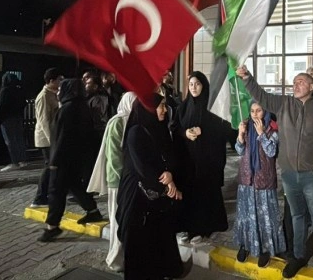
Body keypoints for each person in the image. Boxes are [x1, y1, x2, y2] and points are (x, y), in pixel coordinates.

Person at [237, 65, 313, 280]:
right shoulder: (284, 104)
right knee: (297, 217)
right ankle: (298, 256)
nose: (296, 85)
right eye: (294, 82)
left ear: (312, 86)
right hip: (289, 174)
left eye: (301, 81)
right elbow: (261, 95)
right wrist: (247, 77)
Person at [117, 94, 184, 280]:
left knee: (158, 239)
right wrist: (167, 186)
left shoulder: (160, 129)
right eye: (160, 106)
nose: (164, 110)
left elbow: (170, 157)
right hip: (137, 198)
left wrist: (170, 174)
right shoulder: (136, 132)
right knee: (140, 245)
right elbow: (143, 168)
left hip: (157, 199)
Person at [175, 71, 236, 245]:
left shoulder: (213, 107)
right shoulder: (183, 107)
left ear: (204, 86)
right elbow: (175, 128)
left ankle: (203, 229)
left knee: (205, 193)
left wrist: (205, 131)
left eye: (197, 84)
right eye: (191, 84)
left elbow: (224, 129)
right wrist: (186, 133)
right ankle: (189, 227)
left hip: (208, 160)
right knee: (190, 193)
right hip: (188, 160)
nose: (194, 87)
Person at [38, 79, 103, 242]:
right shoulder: (82, 107)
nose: (58, 92)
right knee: (74, 185)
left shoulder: (67, 109)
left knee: (56, 191)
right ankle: (92, 211)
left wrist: (54, 160)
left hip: (63, 158)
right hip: (76, 157)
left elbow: (62, 137)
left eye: (61, 89)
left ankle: (52, 226)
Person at [87, 92, 137, 271]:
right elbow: (114, 156)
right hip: (118, 181)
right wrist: (124, 179)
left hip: (129, 181)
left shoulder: (134, 120)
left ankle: (127, 258)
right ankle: (116, 259)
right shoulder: (118, 122)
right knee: (118, 220)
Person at [234, 102, 286, 267]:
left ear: (265, 112)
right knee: (246, 215)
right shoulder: (246, 126)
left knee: (265, 217)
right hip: (247, 180)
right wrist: (240, 135)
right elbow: (239, 150)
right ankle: (245, 244)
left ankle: (266, 249)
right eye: (252, 111)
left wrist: (262, 134)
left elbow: (271, 152)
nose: (255, 114)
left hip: (264, 180)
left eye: (258, 111)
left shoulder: (272, 128)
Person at [31, 68, 63, 208]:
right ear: (51, 81)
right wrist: (52, 140)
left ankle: (51, 192)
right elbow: (44, 120)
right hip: (46, 138)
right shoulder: (43, 96)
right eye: (59, 79)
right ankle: (40, 197)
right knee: (50, 165)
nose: (61, 82)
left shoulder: (55, 94)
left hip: (54, 135)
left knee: (54, 165)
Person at [0, 73, 28, 171]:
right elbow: (24, 103)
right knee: (19, 139)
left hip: (7, 119)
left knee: (10, 140)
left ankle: (14, 162)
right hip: (18, 117)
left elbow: (0, 107)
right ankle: (23, 160)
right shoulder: (19, 90)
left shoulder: (4, 91)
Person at [85, 75, 113, 184]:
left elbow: (100, 117)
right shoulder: (93, 97)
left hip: (98, 133)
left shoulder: (98, 99)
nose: (86, 85)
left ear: (95, 86)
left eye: (88, 83)